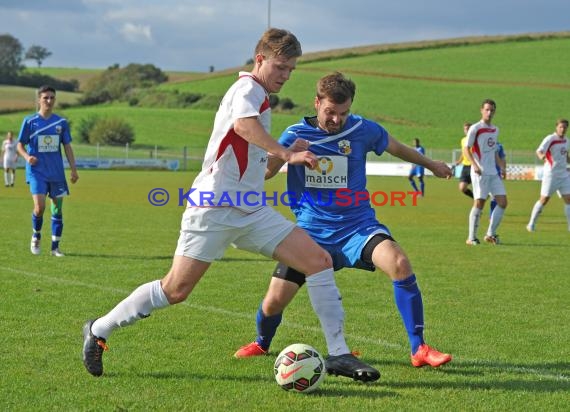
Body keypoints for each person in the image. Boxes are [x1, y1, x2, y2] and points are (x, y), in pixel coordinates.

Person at [81, 29, 377, 381]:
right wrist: (285, 151)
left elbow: (257, 162)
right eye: (280, 66)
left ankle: (340, 354)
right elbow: (243, 125)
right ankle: (99, 329)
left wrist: (280, 157)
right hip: (213, 207)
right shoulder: (247, 89)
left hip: (250, 208)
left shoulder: (260, 96)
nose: (285, 75)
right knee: (176, 290)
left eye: (291, 69)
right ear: (260, 59)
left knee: (318, 260)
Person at [233, 72, 453, 373]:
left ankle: (419, 348)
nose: (337, 119)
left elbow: (397, 148)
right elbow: (267, 173)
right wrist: (287, 155)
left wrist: (432, 165)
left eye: (343, 112)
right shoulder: (295, 134)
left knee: (399, 262)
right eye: (330, 112)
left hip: (357, 228)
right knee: (273, 303)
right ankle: (261, 342)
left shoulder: (364, 130)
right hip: (310, 234)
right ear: (317, 103)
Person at [16, 85, 79, 257]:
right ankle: (36, 235)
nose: (49, 101)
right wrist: (27, 157)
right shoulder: (30, 122)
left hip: (56, 172)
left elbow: (67, 146)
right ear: (39, 100)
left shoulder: (61, 123)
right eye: (45, 98)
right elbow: (19, 144)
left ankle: (55, 248)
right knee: (40, 207)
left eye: (52, 98)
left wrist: (73, 169)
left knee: (57, 209)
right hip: (37, 171)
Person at [463, 99, 507, 245]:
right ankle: (471, 237)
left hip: (493, 173)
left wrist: (501, 165)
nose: (489, 112)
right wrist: (474, 165)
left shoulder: (495, 129)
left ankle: (490, 234)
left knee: (502, 202)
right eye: (487, 110)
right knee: (479, 203)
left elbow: (493, 150)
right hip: (479, 172)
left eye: (492, 110)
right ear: (481, 110)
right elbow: (466, 149)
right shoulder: (475, 128)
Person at [526, 119, 570, 232]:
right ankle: (531, 224)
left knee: (568, 199)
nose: (563, 129)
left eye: (565, 127)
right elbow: (539, 150)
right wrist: (543, 157)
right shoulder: (550, 138)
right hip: (551, 174)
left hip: (564, 175)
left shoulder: (567, 141)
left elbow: (565, 155)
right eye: (561, 127)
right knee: (544, 199)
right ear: (556, 127)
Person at [455, 123, 473, 198]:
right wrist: (459, 161)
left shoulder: (475, 140)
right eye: (465, 129)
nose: (466, 130)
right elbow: (464, 152)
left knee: (477, 187)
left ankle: (478, 204)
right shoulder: (463, 140)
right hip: (465, 166)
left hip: (474, 166)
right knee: (462, 187)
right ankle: (476, 199)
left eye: (468, 129)